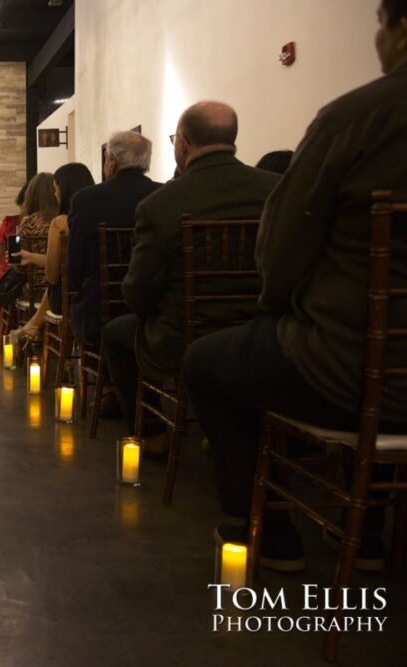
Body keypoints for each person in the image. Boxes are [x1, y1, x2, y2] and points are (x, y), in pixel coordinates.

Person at [183, 0, 407, 572]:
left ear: (399, 29)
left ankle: (262, 526)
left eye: (377, 23)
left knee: (209, 361)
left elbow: (279, 255)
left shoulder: (357, 119)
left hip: (347, 369)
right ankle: (367, 532)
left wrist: (279, 307)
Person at [102, 101, 280, 457]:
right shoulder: (276, 190)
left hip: (185, 334)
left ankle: (152, 433)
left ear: (181, 144)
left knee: (115, 332)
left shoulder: (162, 204)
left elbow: (138, 294)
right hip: (265, 334)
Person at [66, 132, 162, 343]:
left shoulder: (86, 200)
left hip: (98, 314)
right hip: (155, 312)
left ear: (111, 162)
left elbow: (75, 270)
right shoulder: (164, 195)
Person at [12, 164, 96, 342]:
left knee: (57, 283)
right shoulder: (98, 217)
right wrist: (31, 257)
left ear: (64, 190)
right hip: (100, 292)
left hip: (72, 298)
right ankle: (32, 326)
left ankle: (32, 326)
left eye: (57, 189)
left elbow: (52, 275)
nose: (55, 194)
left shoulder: (59, 223)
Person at [0, 182, 28, 332]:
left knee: (5, 280)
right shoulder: (56, 223)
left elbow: (0, 256)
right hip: (45, 282)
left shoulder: (12, 223)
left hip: (16, 278)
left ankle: (4, 332)